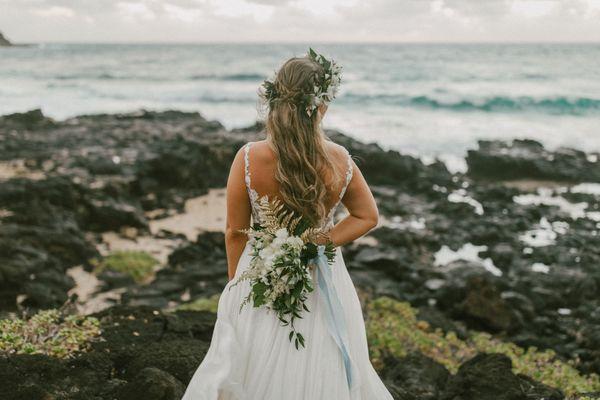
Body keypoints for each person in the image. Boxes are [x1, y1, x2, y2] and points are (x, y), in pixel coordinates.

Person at [182, 49, 393, 400]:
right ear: (321, 104)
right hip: (323, 278)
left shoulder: (249, 156)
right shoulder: (338, 158)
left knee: (250, 367)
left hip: (261, 275)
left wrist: (238, 286)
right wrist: (318, 241)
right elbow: (367, 217)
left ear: (274, 98)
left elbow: (235, 232)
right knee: (322, 361)